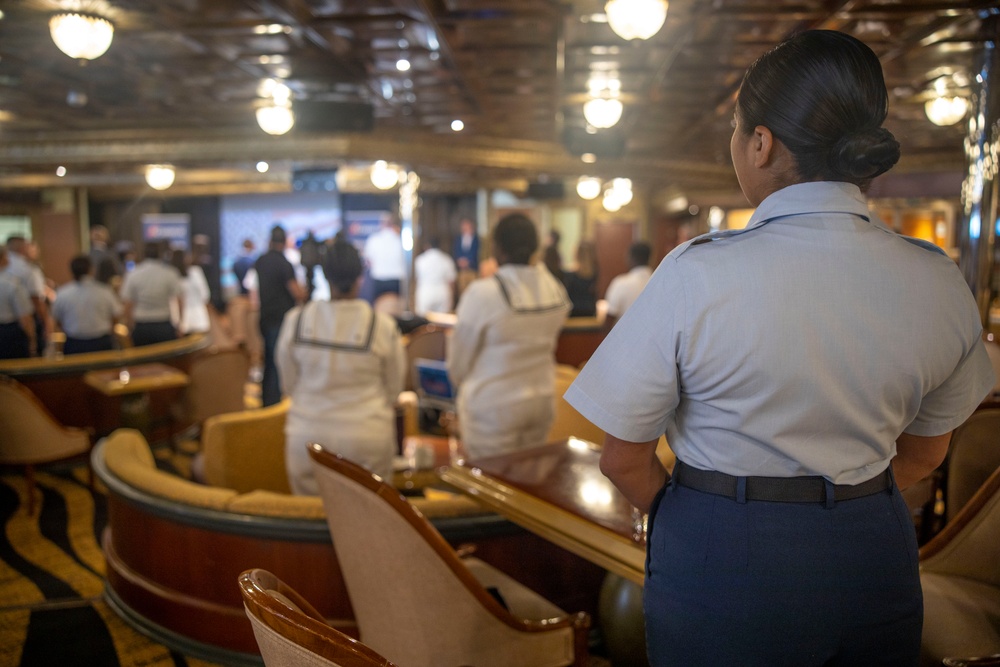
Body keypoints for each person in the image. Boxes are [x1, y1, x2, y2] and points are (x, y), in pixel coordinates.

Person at [564, 30, 997, 667]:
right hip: (873, 544)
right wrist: (849, 501)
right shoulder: (936, 276)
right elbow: (930, 448)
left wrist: (701, 524)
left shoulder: (697, 273)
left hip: (725, 544)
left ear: (760, 143)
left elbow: (623, 460)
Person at [276, 236, 405, 494]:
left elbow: (288, 384)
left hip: (307, 438)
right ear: (361, 275)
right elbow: (394, 389)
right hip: (368, 437)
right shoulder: (382, 326)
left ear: (325, 275)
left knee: (310, 523)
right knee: (369, 523)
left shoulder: (296, 320)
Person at [447, 213, 571, 459]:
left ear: (496, 247)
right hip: (541, 402)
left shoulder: (482, 293)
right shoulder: (555, 289)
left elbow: (458, 364)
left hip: (492, 409)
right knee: (528, 483)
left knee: (491, 484)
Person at [255, 224, 305, 407]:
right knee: (277, 363)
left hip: (264, 317)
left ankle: (265, 401)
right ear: (284, 242)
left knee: (268, 362)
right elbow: (297, 293)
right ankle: (273, 406)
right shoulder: (285, 264)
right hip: (280, 320)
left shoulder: (261, 260)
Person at [52, 255, 122, 355]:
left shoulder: (62, 293)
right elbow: (116, 316)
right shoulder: (104, 291)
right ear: (91, 270)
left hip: (73, 343)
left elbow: (57, 320)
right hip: (102, 342)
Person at [121, 240, 184, 346]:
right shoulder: (170, 273)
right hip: (163, 325)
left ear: (143, 254)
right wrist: (180, 323)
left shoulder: (133, 274)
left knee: (144, 361)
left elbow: (127, 303)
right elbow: (180, 300)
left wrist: (129, 325)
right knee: (166, 361)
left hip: (141, 326)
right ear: (160, 254)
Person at [0, 246, 35, 359]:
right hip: (10, 334)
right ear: (2, 259)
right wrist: (32, 338)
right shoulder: (12, 283)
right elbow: (24, 318)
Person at [604, 241, 651, 322]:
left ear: (631, 257)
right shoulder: (660, 283)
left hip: (624, 334)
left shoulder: (621, 283)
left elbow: (610, 318)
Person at [362, 217, 406, 303]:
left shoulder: (373, 239)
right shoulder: (399, 239)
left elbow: (368, 260)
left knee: (379, 309)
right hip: (395, 280)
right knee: (396, 308)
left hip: (379, 279)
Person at [170, 249, 211, 335]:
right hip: (198, 316)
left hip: (177, 317)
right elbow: (205, 295)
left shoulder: (171, 276)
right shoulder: (195, 272)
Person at [413, 236, 457, 315]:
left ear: (427, 246)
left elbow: (417, 279)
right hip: (443, 292)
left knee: (423, 322)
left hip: (425, 292)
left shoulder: (420, 260)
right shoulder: (446, 259)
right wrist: (452, 296)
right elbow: (451, 281)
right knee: (442, 323)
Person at [562, 240, 598, 317]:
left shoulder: (569, 275)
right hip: (590, 313)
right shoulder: (596, 275)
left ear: (576, 254)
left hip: (572, 314)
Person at [452, 216, 480, 297]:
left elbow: (476, 252)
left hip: (472, 269)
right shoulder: (458, 239)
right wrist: (460, 261)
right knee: (462, 292)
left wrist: (468, 261)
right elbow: (456, 251)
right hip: (461, 270)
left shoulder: (476, 239)